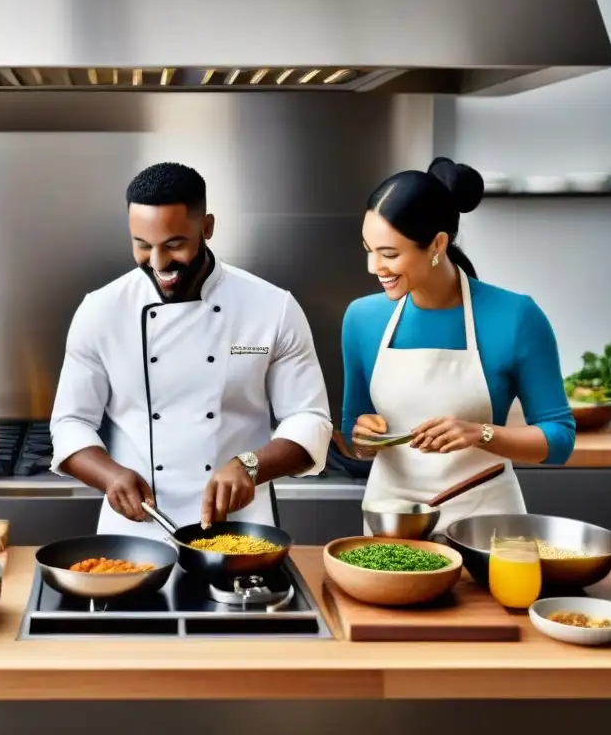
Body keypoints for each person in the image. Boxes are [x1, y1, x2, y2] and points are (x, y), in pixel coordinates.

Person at [49, 162, 333, 538]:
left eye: (174, 244)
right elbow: (70, 422)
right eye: (142, 245)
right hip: (135, 532)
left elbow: (309, 419)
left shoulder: (272, 307)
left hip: (242, 529)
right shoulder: (101, 310)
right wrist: (111, 475)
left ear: (207, 227)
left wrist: (249, 465)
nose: (157, 263)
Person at [341, 157, 576, 533]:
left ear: (437, 244)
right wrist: (363, 440)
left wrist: (482, 433)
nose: (374, 267)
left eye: (389, 254)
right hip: (392, 527)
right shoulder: (361, 320)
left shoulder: (516, 317)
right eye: (368, 249)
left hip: (485, 528)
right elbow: (352, 428)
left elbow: (560, 438)